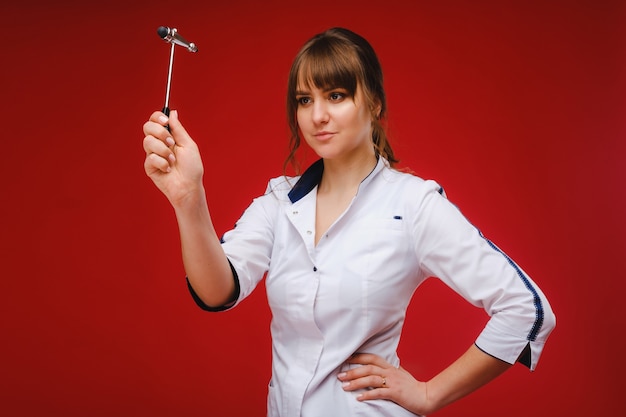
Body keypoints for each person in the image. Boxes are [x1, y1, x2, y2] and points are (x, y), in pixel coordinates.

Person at [142, 27, 556, 417]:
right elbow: (218, 290)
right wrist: (189, 199)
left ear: (373, 103)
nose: (317, 114)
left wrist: (429, 395)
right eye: (305, 100)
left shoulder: (413, 204)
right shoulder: (279, 202)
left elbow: (526, 310)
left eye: (336, 95)